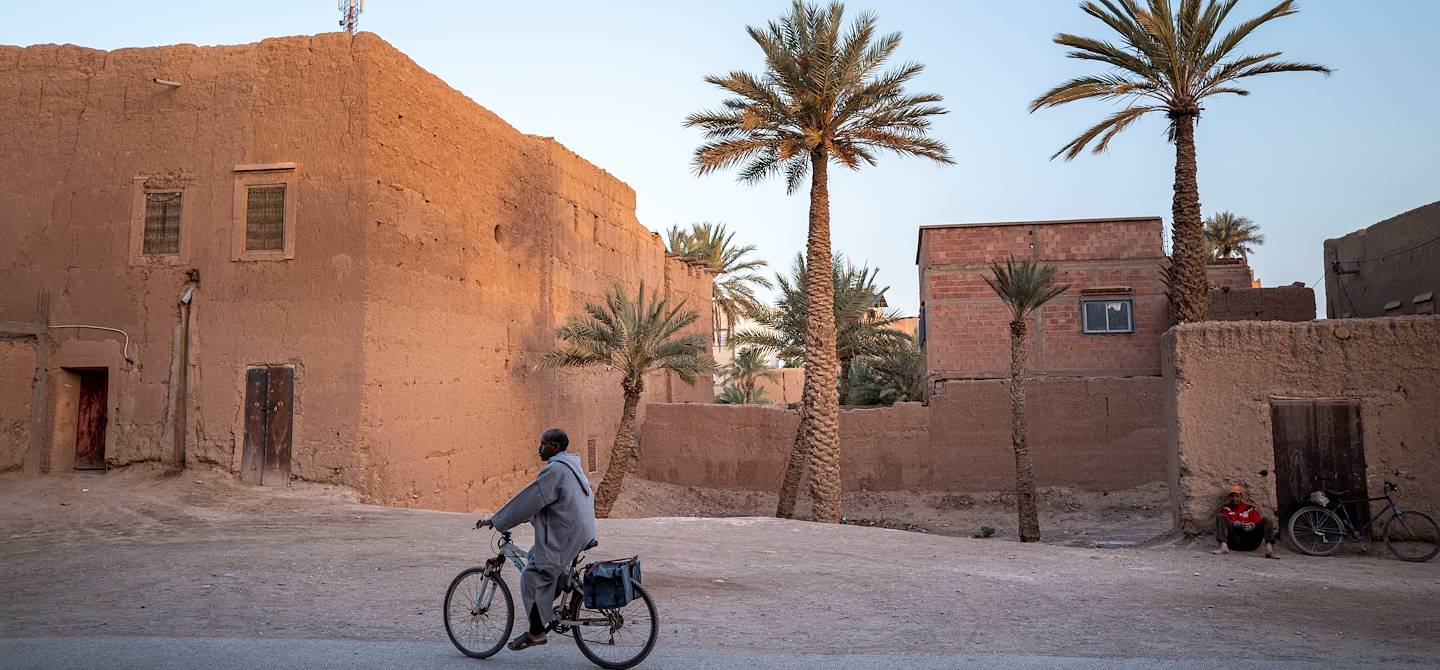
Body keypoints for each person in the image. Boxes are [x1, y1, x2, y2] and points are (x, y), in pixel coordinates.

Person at [475, 428, 596, 651]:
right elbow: (543, 504)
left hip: (566, 535)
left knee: (530, 577)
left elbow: (528, 499)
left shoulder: (554, 471)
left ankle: (537, 633)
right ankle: (549, 611)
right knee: (536, 557)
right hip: (581, 531)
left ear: (555, 447)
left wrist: (497, 520)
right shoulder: (571, 466)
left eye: (544, 444)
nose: (539, 448)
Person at [1214, 485, 1278, 559]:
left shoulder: (1251, 509)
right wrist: (1238, 524)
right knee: (1220, 517)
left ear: (1241, 497)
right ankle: (1224, 547)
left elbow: (1257, 523)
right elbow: (1226, 522)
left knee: (1267, 520)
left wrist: (1251, 526)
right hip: (1234, 542)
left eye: (1237, 496)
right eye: (1232, 496)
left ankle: (1269, 550)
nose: (1235, 499)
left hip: (1251, 542)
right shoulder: (1225, 508)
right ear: (1230, 497)